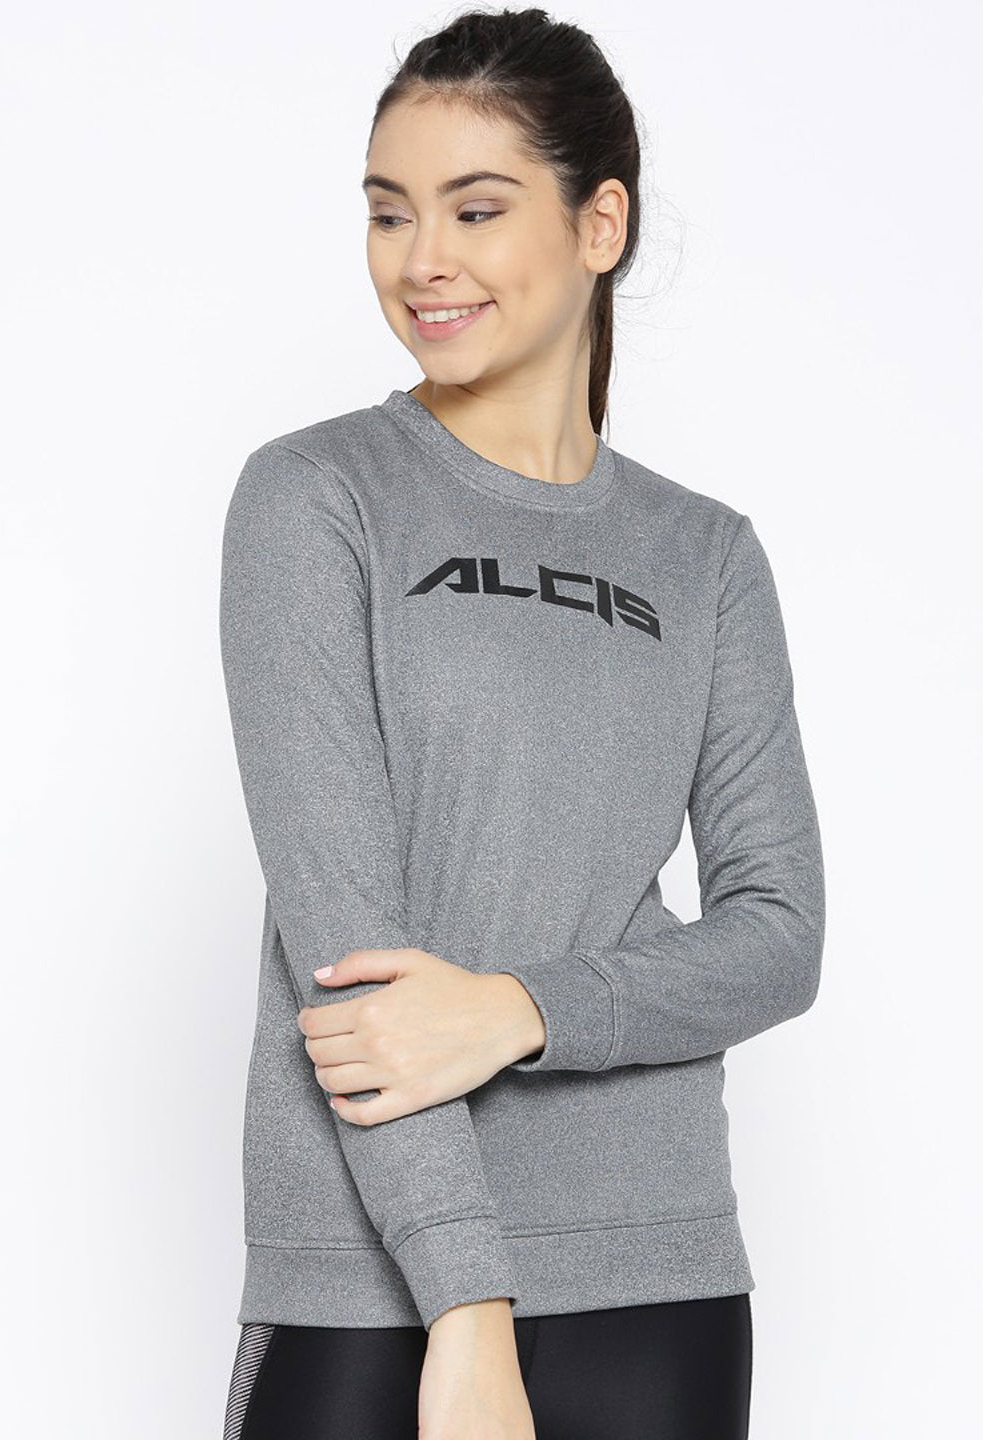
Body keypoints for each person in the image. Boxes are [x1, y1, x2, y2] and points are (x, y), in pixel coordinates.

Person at [218, 8, 825, 1439]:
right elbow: (349, 960)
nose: (421, 258)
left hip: (655, 1268)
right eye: (390, 212)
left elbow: (780, 933)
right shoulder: (316, 498)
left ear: (599, 223)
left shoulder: (705, 556)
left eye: (475, 209)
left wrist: (522, 1011)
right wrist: (468, 1307)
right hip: (369, 1279)